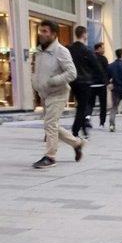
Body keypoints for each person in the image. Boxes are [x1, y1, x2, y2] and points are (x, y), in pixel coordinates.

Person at [31, 20, 85, 169]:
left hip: (58, 93)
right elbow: (38, 72)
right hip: (45, 94)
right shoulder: (39, 51)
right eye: (40, 31)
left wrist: (54, 81)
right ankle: (77, 143)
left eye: (45, 31)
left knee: (50, 124)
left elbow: (72, 73)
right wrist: (35, 83)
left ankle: (50, 156)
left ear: (54, 34)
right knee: (51, 124)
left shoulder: (61, 51)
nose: (41, 34)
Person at [68, 26, 101, 138]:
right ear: (84, 34)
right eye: (86, 34)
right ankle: (75, 130)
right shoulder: (86, 50)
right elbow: (96, 65)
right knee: (83, 107)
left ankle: (83, 130)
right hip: (85, 82)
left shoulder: (69, 49)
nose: (87, 36)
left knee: (81, 105)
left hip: (73, 81)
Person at [90, 42, 109, 127]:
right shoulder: (103, 59)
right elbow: (107, 72)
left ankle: (87, 119)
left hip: (91, 84)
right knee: (103, 105)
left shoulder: (90, 57)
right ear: (98, 48)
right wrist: (107, 82)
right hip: (101, 84)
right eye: (103, 48)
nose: (104, 50)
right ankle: (102, 122)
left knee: (90, 104)